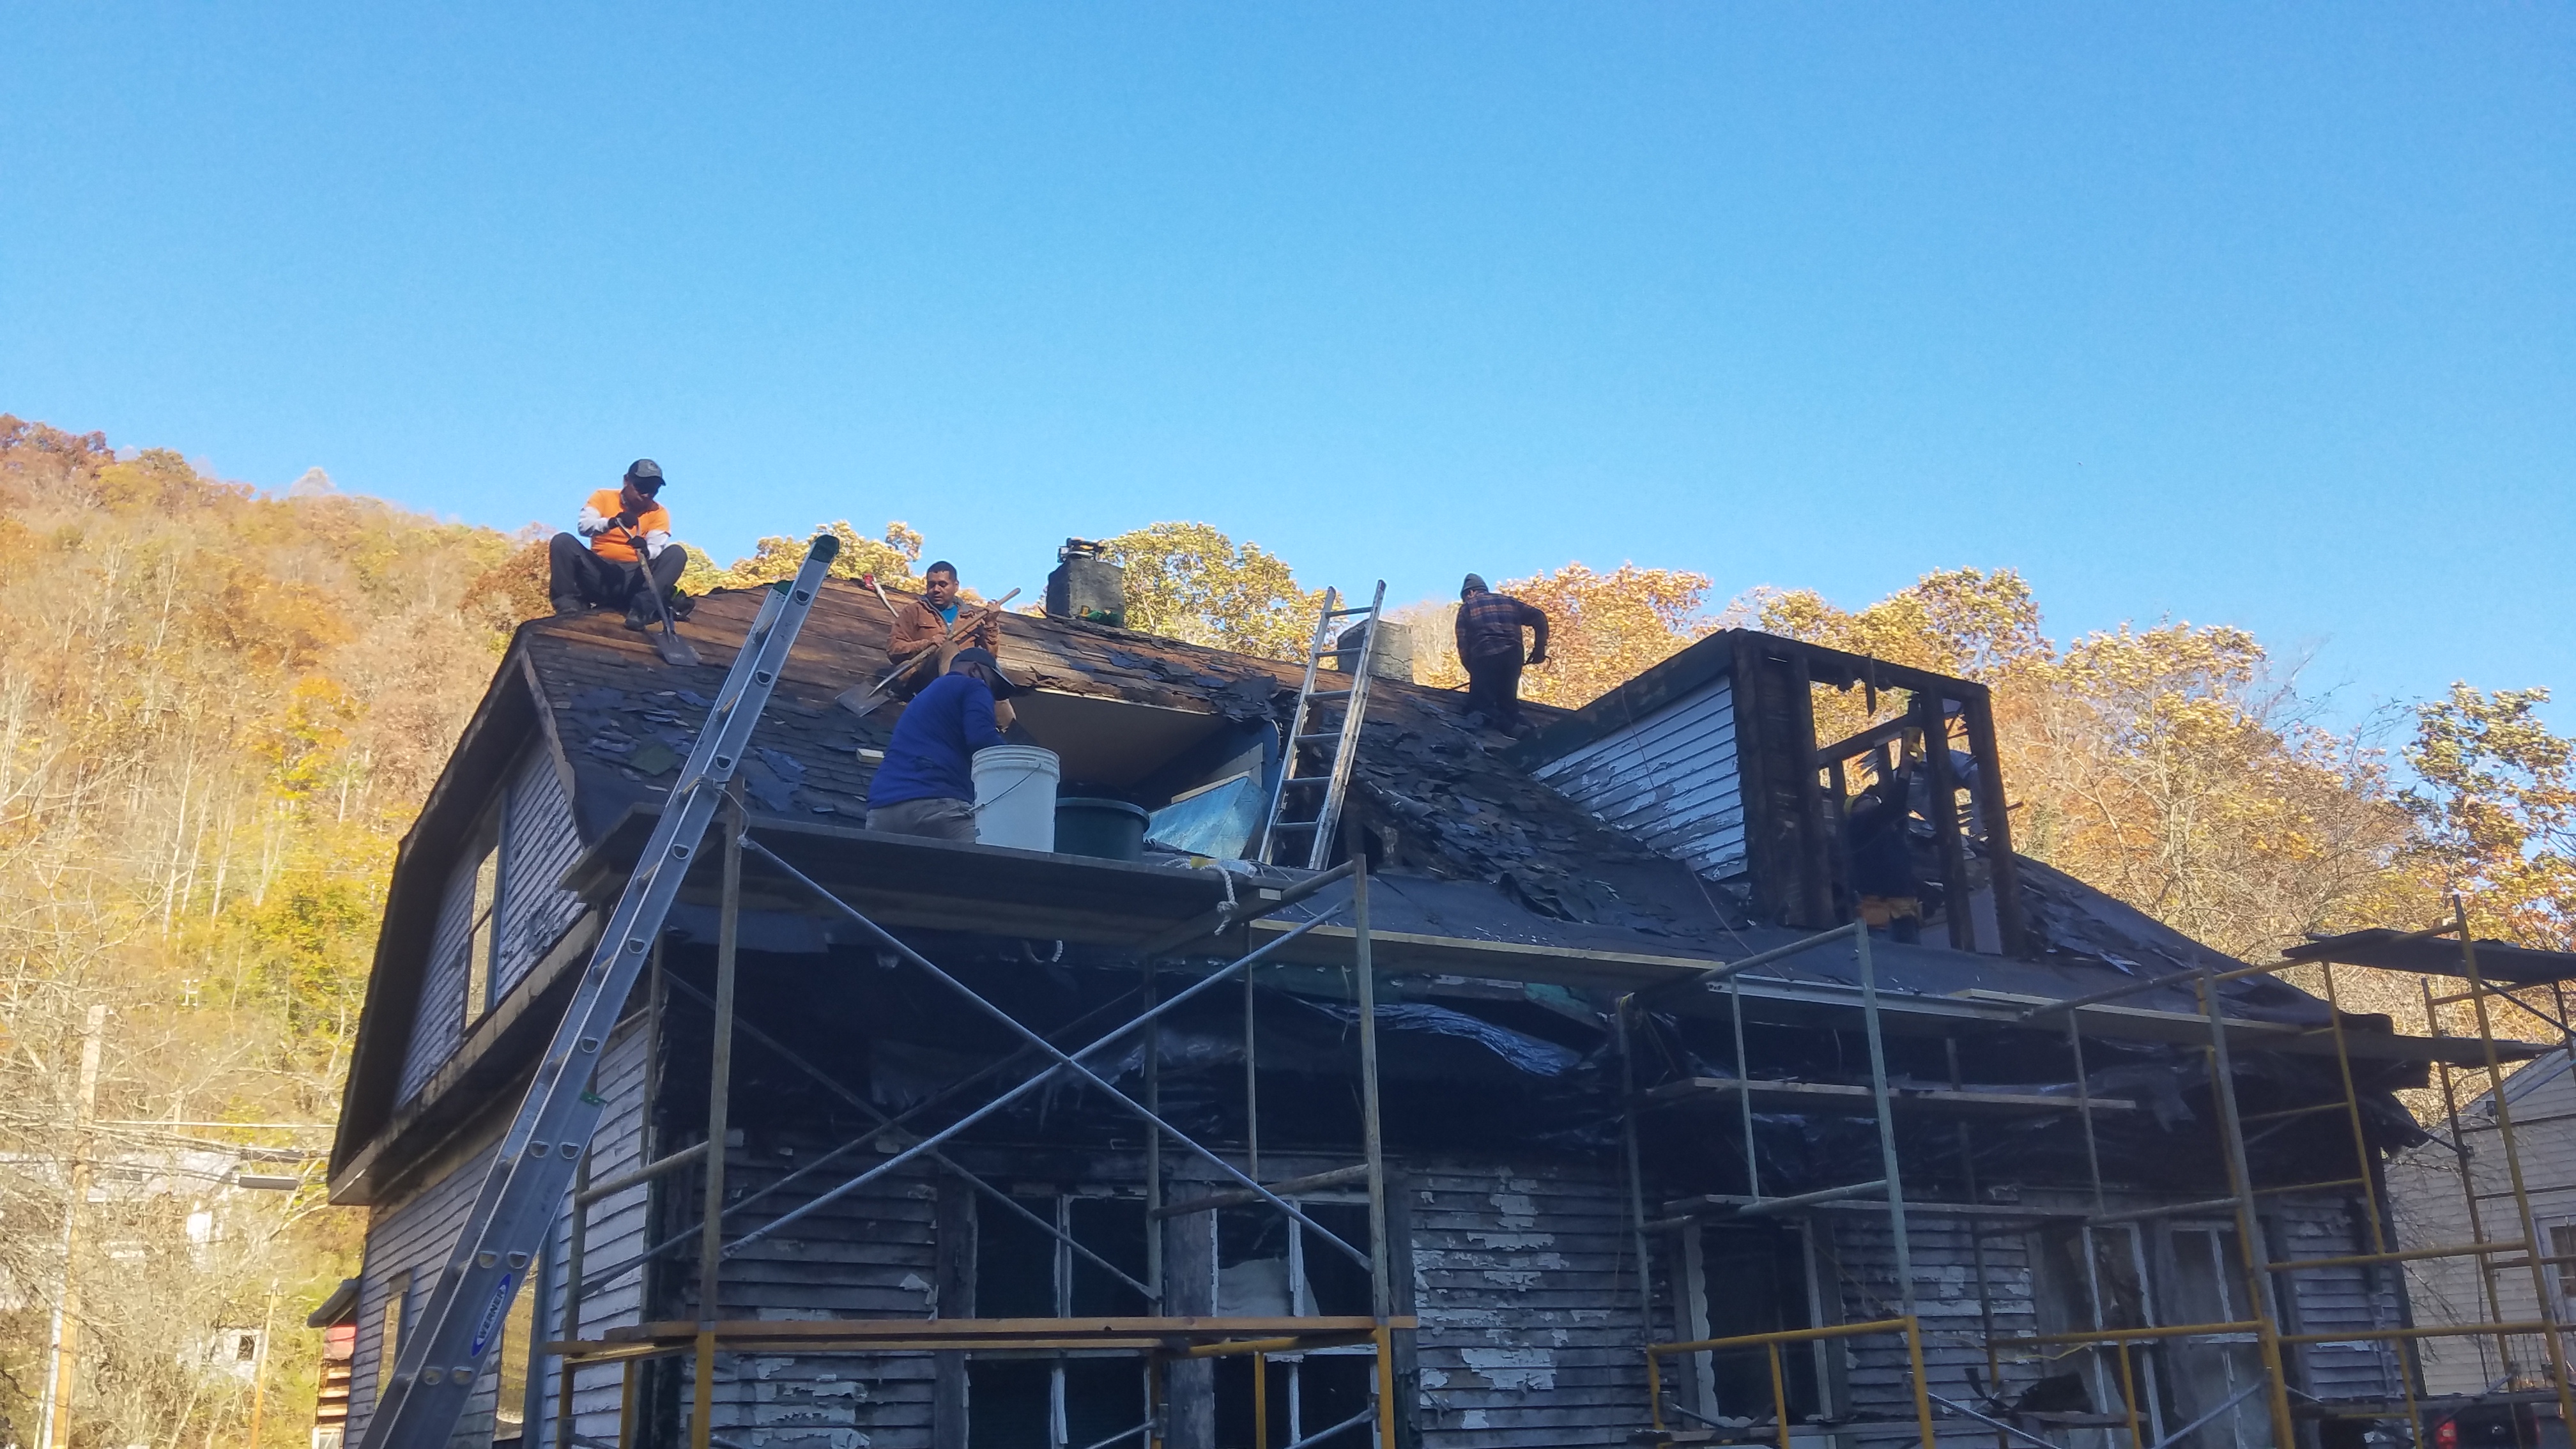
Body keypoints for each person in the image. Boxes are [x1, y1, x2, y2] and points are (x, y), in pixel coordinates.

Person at [865, 648, 1007, 842]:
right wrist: (1015, 760)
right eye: (991, 684)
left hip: (882, 810)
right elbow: (981, 738)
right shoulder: (974, 686)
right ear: (975, 670)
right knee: (993, 861)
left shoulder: (924, 697)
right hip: (936, 805)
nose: (991, 693)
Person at [549, 459, 693, 626]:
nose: (646, 495)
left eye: (653, 491)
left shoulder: (659, 513)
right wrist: (611, 523)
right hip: (599, 574)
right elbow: (584, 526)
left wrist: (646, 551)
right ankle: (569, 607)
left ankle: (641, 611)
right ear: (626, 481)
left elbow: (657, 547)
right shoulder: (602, 497)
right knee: (562, 541)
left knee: (677, 554)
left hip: (635, 578)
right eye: (642, 487)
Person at [1453, 574, 1550, 733]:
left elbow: (1463, 645)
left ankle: (1512, 729)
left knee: (1480, 706)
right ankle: (1533, 729)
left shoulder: (1467, 608)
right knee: (1507, 702)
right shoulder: (1509, 602)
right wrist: (1539, 649)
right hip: (1514, 656)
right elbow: (1539, 617)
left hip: (1485, 655)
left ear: (1470, 593)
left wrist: (1476, 674)